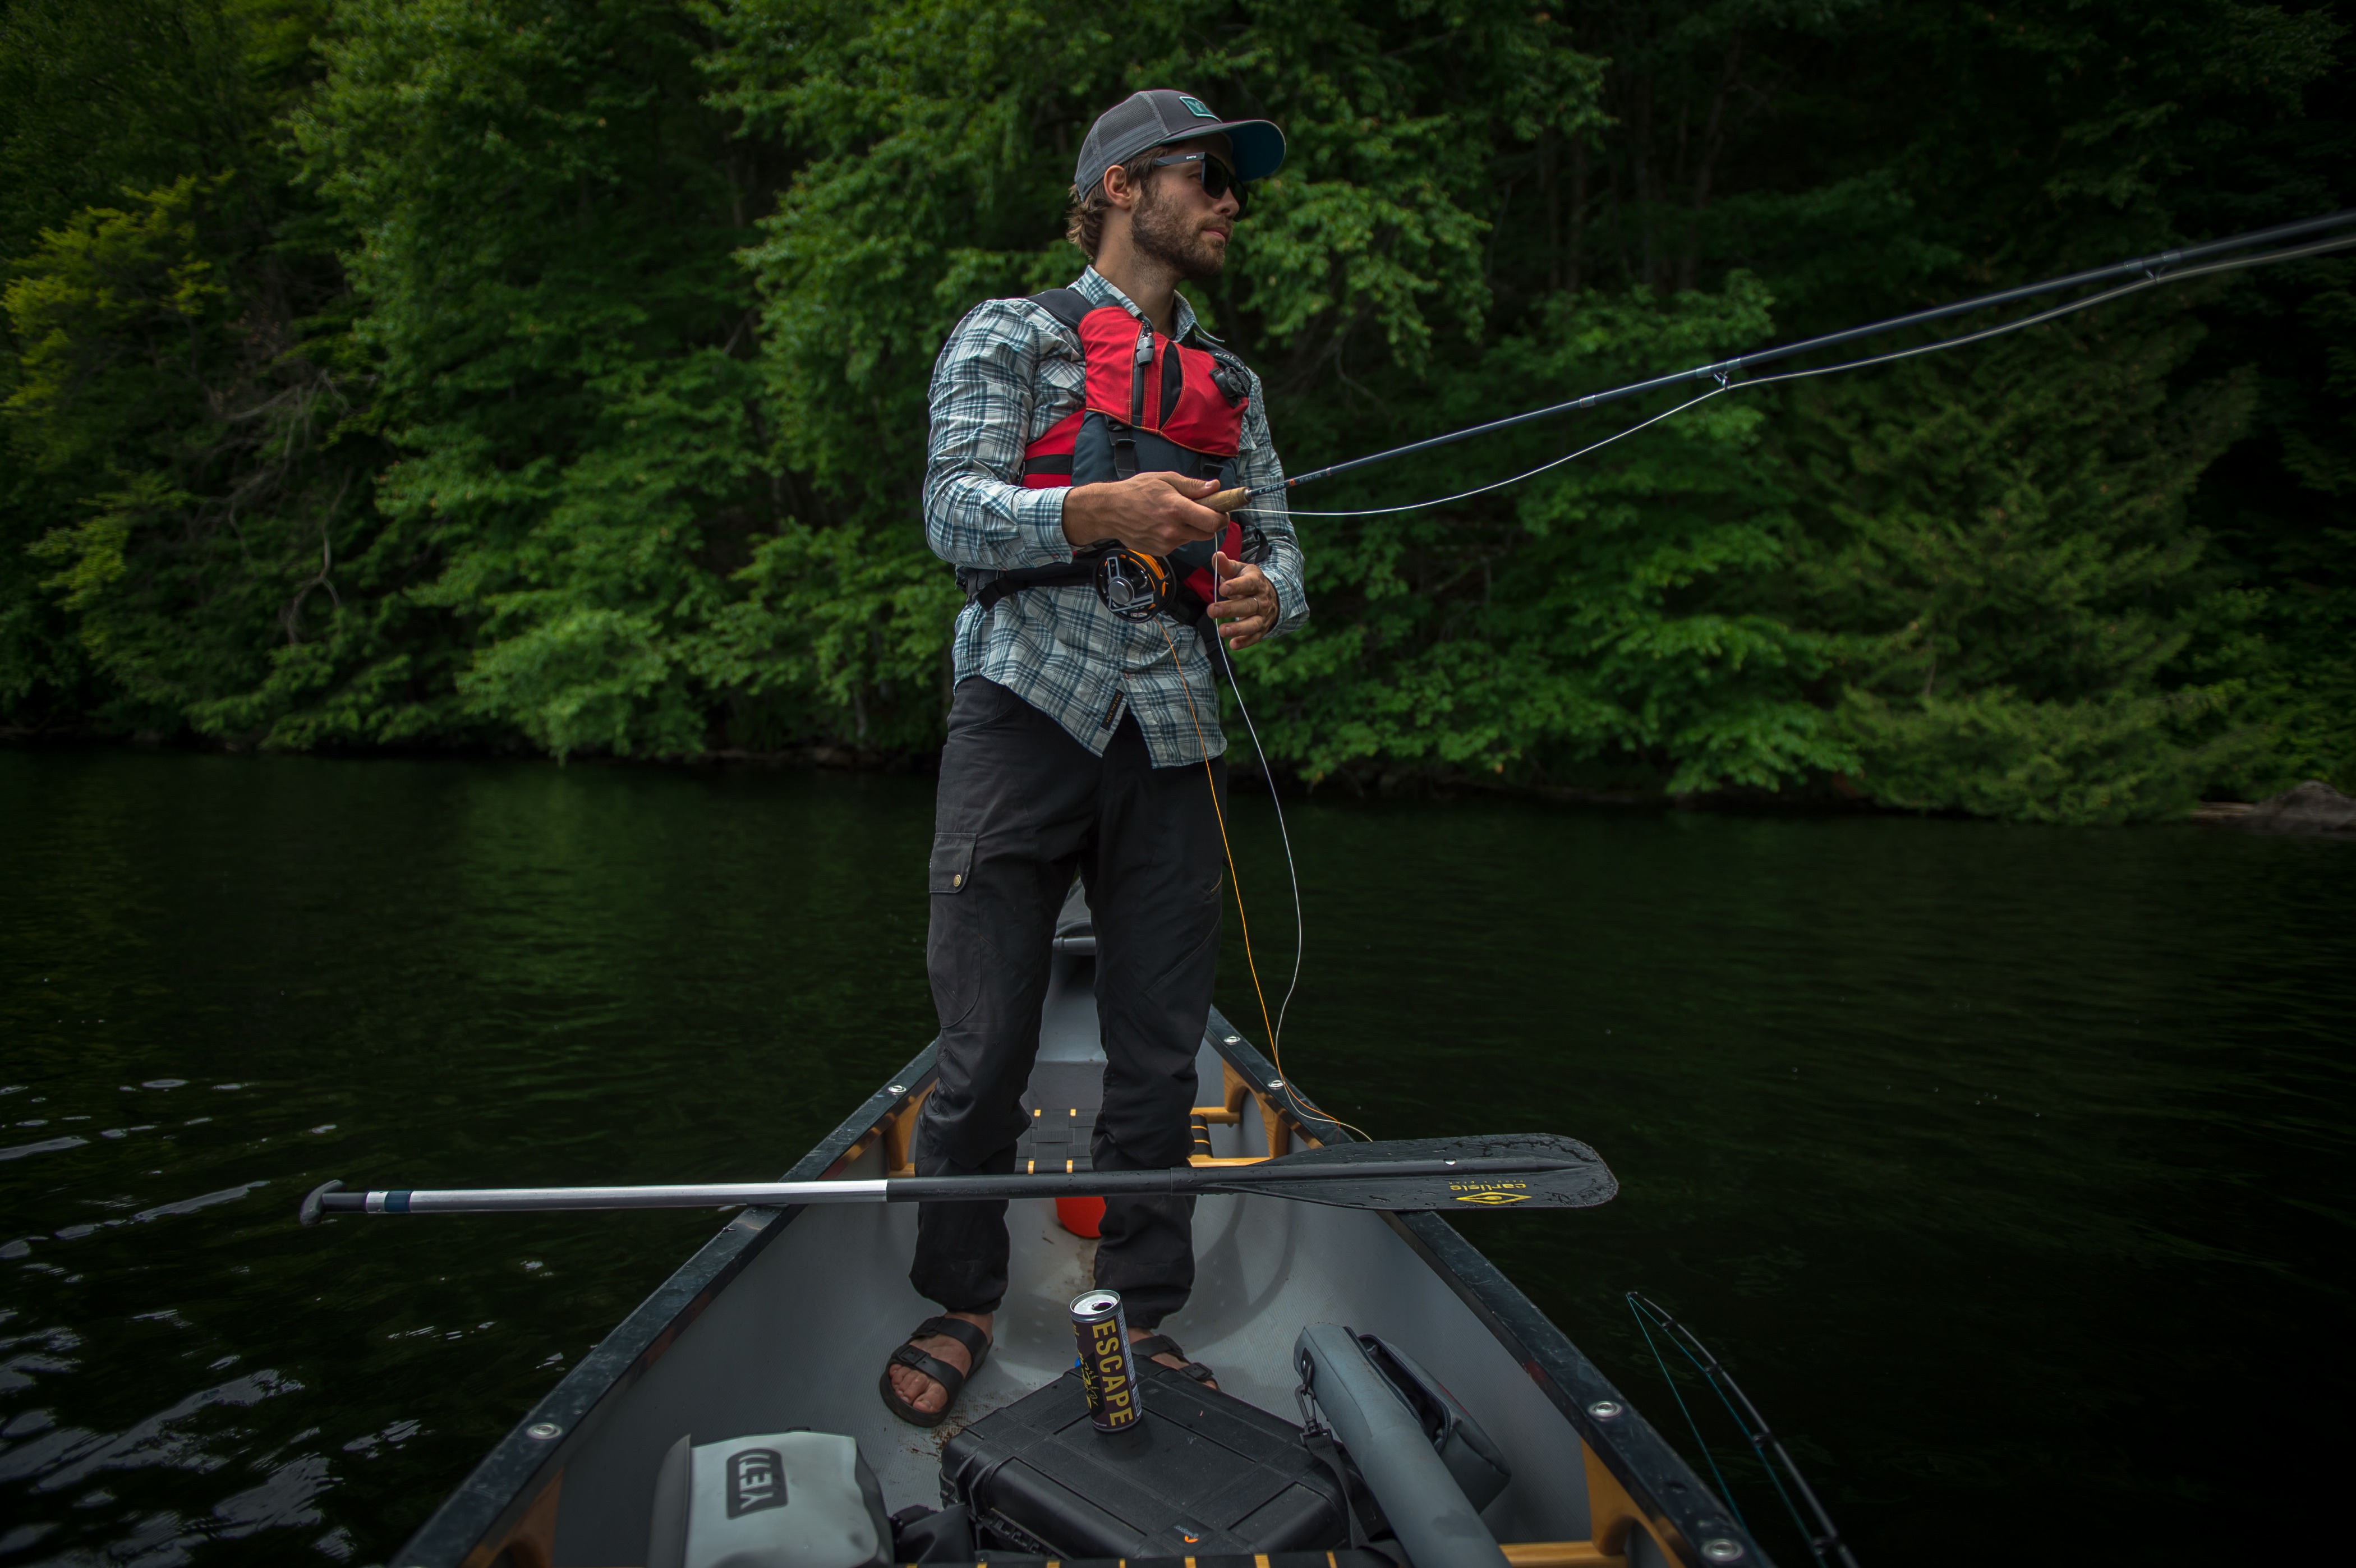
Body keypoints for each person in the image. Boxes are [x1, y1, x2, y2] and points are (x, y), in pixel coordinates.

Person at [879, 89, 1309, 1426]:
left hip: (1173, 734)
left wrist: (1267, 599)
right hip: (1023, 717)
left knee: (1160, 1051)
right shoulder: (1009, 334)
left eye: (1237, 185)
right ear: (1123, 187)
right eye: (1209, 178)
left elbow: (1283, 548)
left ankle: (1135, 1310)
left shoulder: (1230, 382)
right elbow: (954, 510)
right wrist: (1096, 509)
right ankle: (957, 1296)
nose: (1232, 201)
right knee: (987, 1037)